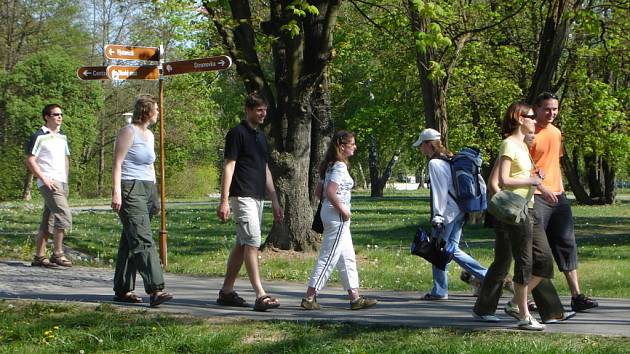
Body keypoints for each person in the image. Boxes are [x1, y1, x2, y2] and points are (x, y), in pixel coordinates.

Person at [472, 102, 548, 330]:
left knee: (538, 259)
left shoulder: (522, 146)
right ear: (519, 118)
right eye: (532, 116)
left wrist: (537, 179)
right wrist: (532, 181)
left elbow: (495, 181)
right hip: (515, 210)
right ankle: (523, 315)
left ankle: (486, 307)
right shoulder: (509, 144)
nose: (536, 120)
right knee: (524, 261)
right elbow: (503, 180)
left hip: (527, 207)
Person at [530, 92, 598, 312]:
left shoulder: (557, 132)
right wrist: (541, 188)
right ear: (537, 109)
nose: (551, 113)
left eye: (555, 109)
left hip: (558, 197)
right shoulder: (529, 134)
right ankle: (528, 297)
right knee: (537, 251)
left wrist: (560, 189)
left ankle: (577, 296)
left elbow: (553, 163)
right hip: (537, 197)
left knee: (567, 244)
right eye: (547, 109)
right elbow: (523, 167)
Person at [216, 92, 282, 312]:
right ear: (248, 110)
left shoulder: (261, 137)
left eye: (265, 110)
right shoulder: (237, 133)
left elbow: (265, 169)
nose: (263, 114)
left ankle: (226, 291)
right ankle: (260, 294)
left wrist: (274, 199)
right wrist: (224, 200)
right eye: (259, 110)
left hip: (257, 197)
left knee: (243, 243)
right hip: (241, 195)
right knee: (253, 241)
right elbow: (229, 166)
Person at [301, 130, 377, 311]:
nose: (355, 147)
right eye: (352, 144)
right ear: (342, 146)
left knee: (347, 257)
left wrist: (330, 207)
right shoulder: (339, 167)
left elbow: (319, 193)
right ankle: (309, 297)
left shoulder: (328, 166)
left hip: (331, 213)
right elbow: (329, 192)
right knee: (329, 257)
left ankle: (355, 298)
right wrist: (343, 210)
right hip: (338, 215)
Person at [111, 95, 173, 307]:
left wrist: (155, 196)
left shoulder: (150, 135)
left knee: (130, 239)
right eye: (156, 109)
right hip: (130, 187)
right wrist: (116, 193)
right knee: (142, 238)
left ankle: (122, 288)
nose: (158, 112)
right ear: (147, 111)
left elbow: (150, 166)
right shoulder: (129, 131)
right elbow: (117, 163)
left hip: (147, 188)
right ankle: (156, 289)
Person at [412, 128, 488, 301]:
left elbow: (440, 191)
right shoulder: (449, 158)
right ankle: (487, 276)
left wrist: (437, 216)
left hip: (447, 213)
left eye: (421, 145)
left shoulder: (434, 163)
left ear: (428, 144)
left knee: (438, 249)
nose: (420, 149)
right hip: (461, 210)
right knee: (450, 249)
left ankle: (441, 290)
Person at [26, 104, 73, 268]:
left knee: (49, 218)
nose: (60, 117)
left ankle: (39, 256)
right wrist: (44, 179)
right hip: (49, 182)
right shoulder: (39, 136)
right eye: (56, 114)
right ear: (47, 116)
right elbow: (31, 160)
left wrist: (65, 179)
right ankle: (58, 253)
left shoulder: (62, 136)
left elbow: (66, 158)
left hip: (61, 182)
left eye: (61, 114)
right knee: (63, 215)